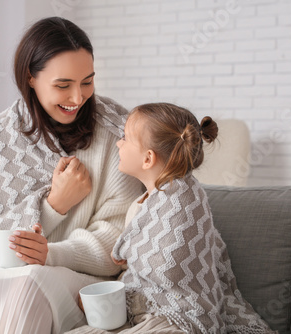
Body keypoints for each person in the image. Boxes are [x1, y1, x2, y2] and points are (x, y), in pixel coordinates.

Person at [0, 17, 143, 334]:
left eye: (88, 81)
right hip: (13, 273)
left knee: (29, 281)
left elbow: (117, 241)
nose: (78, 97)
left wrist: (49, 253)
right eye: (63, 85)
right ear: (30, 78)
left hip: (85, 276)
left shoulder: (117, 131)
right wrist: (55, 205)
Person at [70, 103, 277, 333]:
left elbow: (170, 266)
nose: (119, 143)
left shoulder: (183, 197)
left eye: (125, 138)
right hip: (151, 313)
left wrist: (128, 252)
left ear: (148, 159)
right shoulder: (145, 202)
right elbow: (139, 254)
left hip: (181, 314)